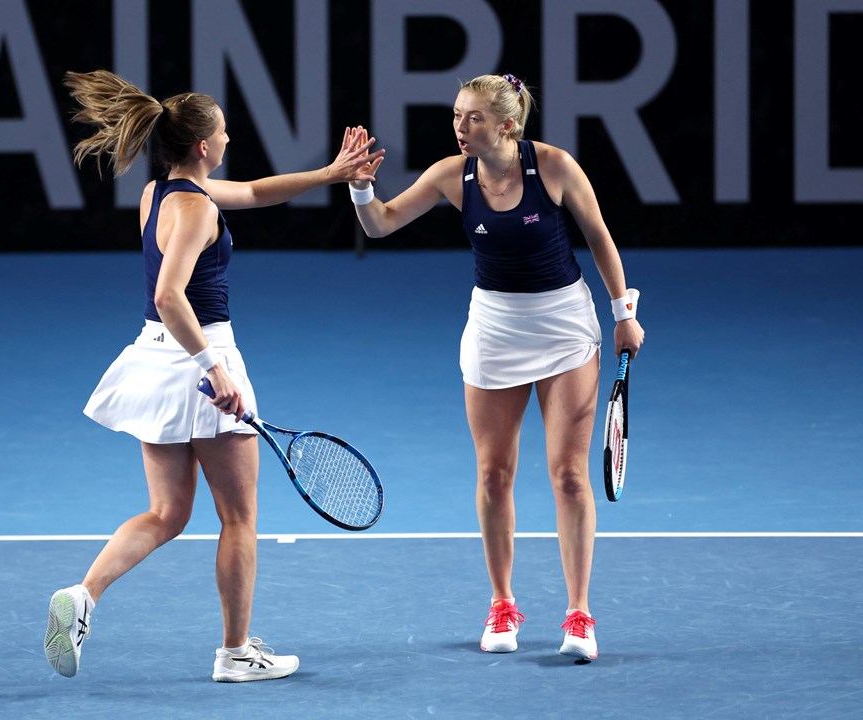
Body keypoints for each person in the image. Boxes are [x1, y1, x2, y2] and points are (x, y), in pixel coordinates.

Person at [43, 69, 383, 682]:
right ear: (203, 146)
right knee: (239, 519)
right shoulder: (198, 211)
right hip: (202, 358)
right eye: (223, 131)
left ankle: (84, 596)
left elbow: (253, 193)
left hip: (151, 359)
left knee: (167, 513)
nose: (229, 138)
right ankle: (235, 653)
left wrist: (332, 176)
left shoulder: (158, 196)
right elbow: (173, 296)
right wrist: (214, 368)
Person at [347, 74, 644, 661]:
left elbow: (601, 238)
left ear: (507, 124)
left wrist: (623, 313)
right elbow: (379, 223)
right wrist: (360, 188)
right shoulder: (449, 176)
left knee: (568, 474)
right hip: (494, 330)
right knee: (493, 475)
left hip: (563, 327)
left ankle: (579, 613)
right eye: (457, 116)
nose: (461, 127)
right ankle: (502, 602)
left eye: (474, 118)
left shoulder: (555, 167)